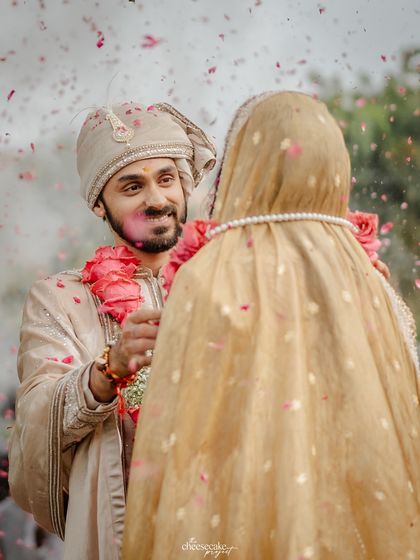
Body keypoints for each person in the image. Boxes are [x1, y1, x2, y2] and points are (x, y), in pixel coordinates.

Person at [122, 92, 420, 559]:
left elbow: (177, 447)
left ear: (245, 165)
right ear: (332, 161)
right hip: (361, 517)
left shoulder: (208, 274)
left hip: (237, 518)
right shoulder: (369, 275)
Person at [8, 101, 216, 560]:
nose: (157, 199)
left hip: (226, 523)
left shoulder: (228, 282)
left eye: (166, 179)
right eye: (132, 186)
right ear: (100, 202)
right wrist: (109, 369)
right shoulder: (61, 298)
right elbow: (36, 424)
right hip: (125, 536)